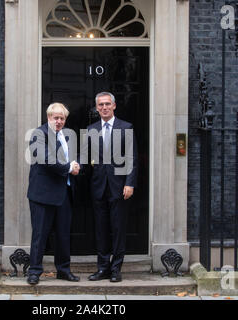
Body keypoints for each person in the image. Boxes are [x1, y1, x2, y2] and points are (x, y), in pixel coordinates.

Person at [85, 92, 138, 283]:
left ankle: (116, 269)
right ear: (97, 107)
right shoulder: (90, 129)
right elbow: (86, 159)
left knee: (118, 229)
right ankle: (102, 268)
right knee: (100, 229)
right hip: (98, 187)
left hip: (119, 187)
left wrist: (130, 183)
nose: (104, 107)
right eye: (101, 105)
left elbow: (132, 158)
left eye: (107, 104)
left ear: (114, 106)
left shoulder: (126, 127)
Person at [26, 103, 80, 285]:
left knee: (63, 234)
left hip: (64, 193)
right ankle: (34, 271)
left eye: (62, 118)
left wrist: (77, 164)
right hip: (43, 194)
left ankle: (63, 270)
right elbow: (46, 159)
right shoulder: (38, 134)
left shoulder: (67, 135)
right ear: (48, 117)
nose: (58, 121)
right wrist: (69, 167)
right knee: (40, 234)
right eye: (55, 117)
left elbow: (73, 156)